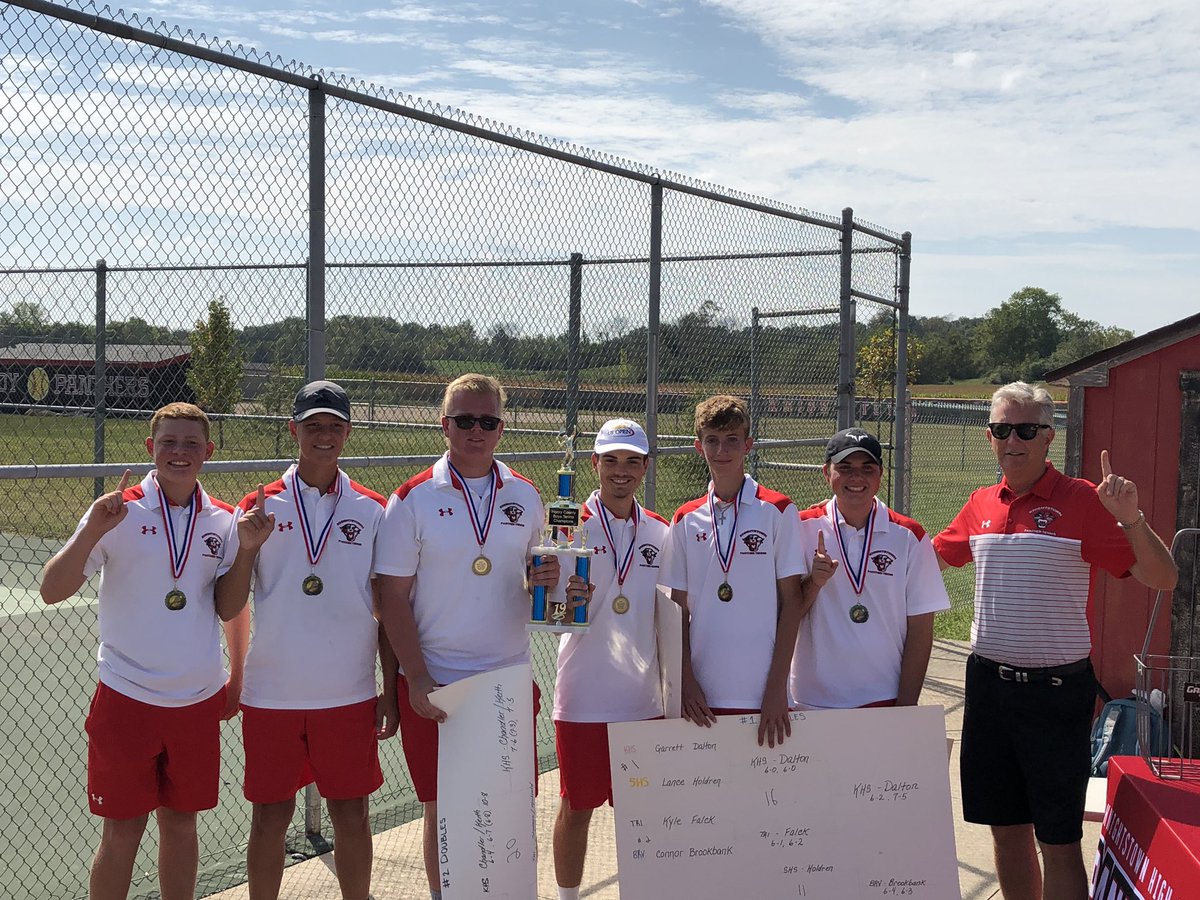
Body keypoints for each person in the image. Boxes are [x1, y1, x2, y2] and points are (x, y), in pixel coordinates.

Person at [934, 381, 1177, 900]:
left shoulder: (1084, 501)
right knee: (1006, 830)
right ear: (990, 437)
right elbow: (924, 560)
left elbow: (1164, 578)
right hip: (989, 689)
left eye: (1026, 429)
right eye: (1002, 430)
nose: (1012, 441)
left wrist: (1130, 517)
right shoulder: (979, 503)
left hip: (1055, 694)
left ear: (1049, 437)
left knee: (1060, 840)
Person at [374, 373, 579, 900]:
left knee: (509, 806)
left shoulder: (526, 495)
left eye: (487, 421)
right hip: (438, 679)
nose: (476, 430)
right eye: (464, 420)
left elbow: (545, 575)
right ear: (445, 426)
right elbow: (391, 596)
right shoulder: (414, 498)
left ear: (501, 428)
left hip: (505, 681)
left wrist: (549, 581)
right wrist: (415, 677)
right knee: (442, 811)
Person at [39, 402, 249, 900]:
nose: (180, 452)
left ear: (208, 452)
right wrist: (91, 529)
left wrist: (235, 674)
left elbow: (232, 607)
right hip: (126, 697)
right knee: (122, 832)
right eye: (169, 443)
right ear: (150, 448)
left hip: (196, 698)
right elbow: (52, 589)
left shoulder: (223, 521)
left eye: (191, 444)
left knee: (181, 826)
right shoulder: (117, 512)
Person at [215, 380, 397, 900]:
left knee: (352, 815)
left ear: (348, 433)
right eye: (313, 426)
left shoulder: (372, 508)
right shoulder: (258, 504)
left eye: (334, 427)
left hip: (348, 692)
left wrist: (388, 686)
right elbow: (228, 606)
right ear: (293, 430)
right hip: (273, 694)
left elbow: (383, 608)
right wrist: (248, 549)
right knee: (269, 817)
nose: (324, 436)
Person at [551, 418, 669, 900]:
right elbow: (550, 619)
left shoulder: (663, 532)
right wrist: (569, 603)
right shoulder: (566, 525)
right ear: (595, 464)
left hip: (643, 701)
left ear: (644, 467)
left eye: (632, 461)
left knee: (641, 813)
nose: (622, 471)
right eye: (612, 460)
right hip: (582, 696)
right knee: (576, 807)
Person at [660, 394, 812, 748]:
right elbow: (678, 609)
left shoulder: (778, 509)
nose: (722, 450)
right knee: (706, 797)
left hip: (763, 695)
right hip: (702, 695)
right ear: (699, 447)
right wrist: (685, 682)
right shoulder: (685, 518)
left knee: (764, 800)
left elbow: (792, 603)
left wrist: (776, 688)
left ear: (748, 445)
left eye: (732, 440)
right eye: (712, 440)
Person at [790, 427, 950, 709]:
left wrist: (905, 706)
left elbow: (921, 629)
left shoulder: (910, 536)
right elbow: (782, 618)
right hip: (810, 701)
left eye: (867, 468)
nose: (856, 478)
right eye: (845, 467)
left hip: (882, 699)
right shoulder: (799, 528)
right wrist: (813, 583)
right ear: (826, 473)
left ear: (880, 475)